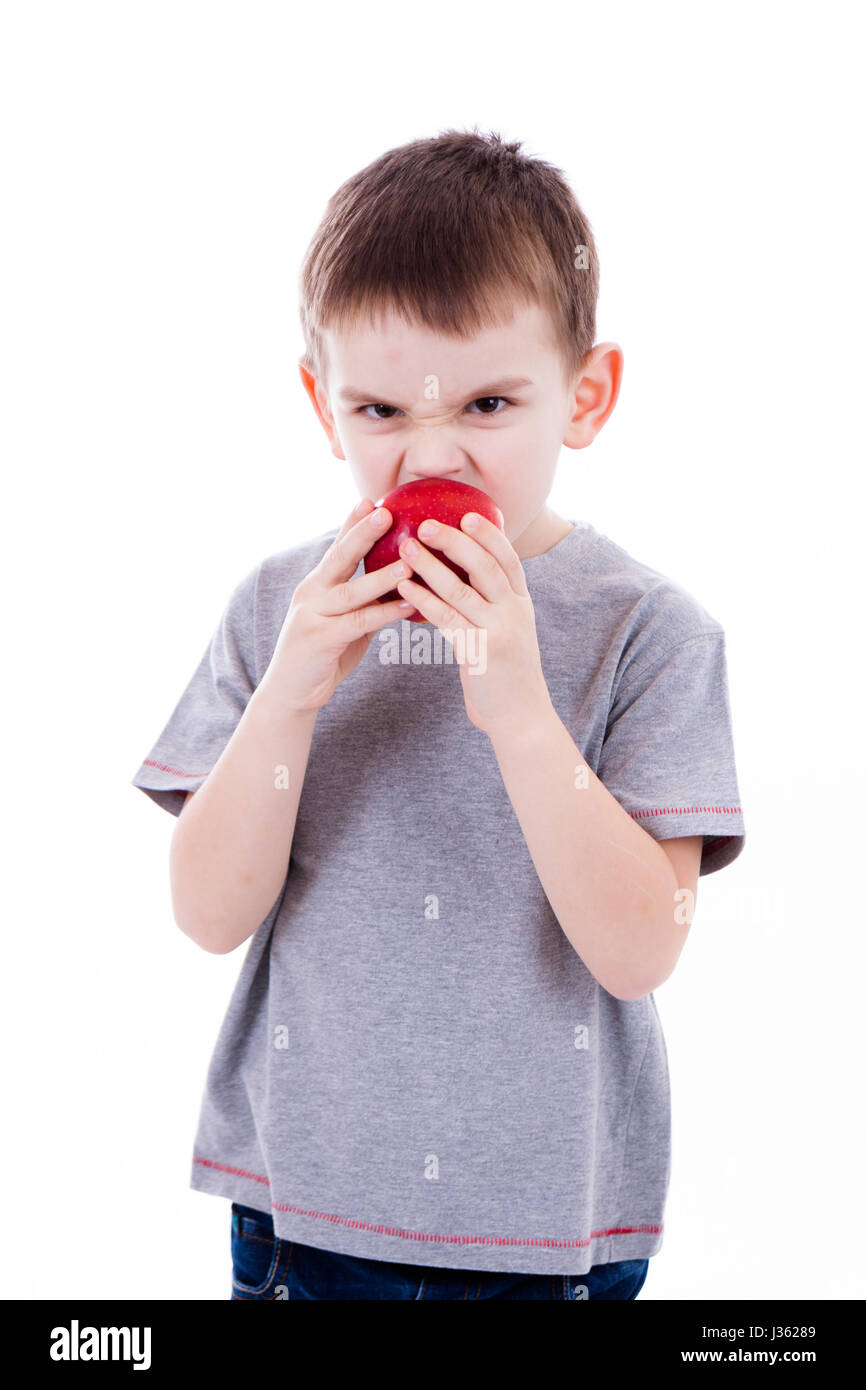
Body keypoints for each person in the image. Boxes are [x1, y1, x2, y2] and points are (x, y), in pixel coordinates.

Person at [131, 128, 745, 1301]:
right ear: (321, 405)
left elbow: (638, 946)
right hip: (303, 1206)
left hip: (548, 1232)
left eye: (486, 401)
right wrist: (289, 697)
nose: (430, 454)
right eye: (379, 410)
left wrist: (519, 710)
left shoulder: (649, 633)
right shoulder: (280, 610)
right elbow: (207, 914)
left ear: (585, 395)